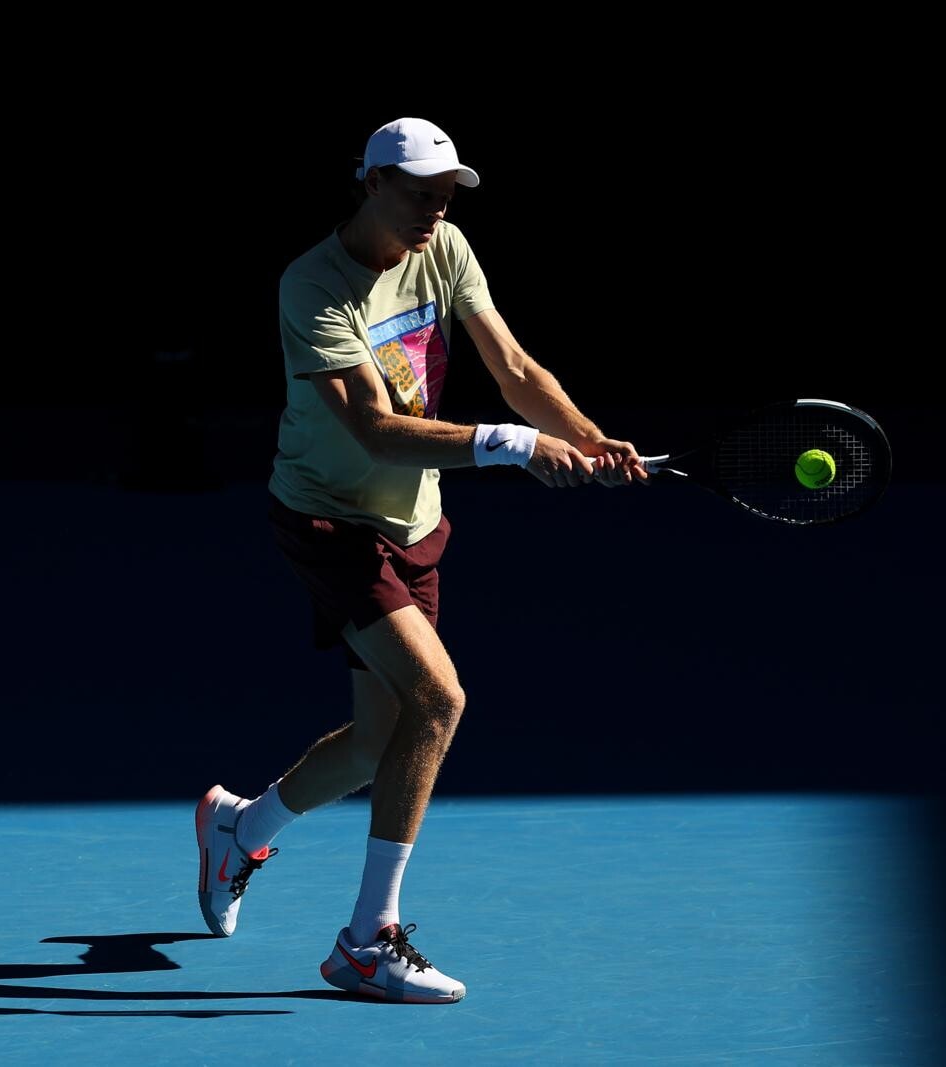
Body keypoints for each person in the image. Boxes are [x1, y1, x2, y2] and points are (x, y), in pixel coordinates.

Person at [194, 116, 647, 1004]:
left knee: (378, 740)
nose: (435, 215)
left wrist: (588, 439)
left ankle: (240, 827)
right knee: (439, 699)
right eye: (419, 197)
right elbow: (374, 426)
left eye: (445, 199)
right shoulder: (313, 285)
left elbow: (513, 365)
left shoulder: (446, 249)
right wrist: (515, 445)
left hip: (413, 520)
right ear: (370, 184)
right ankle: (368, 941)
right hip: (328, 518)